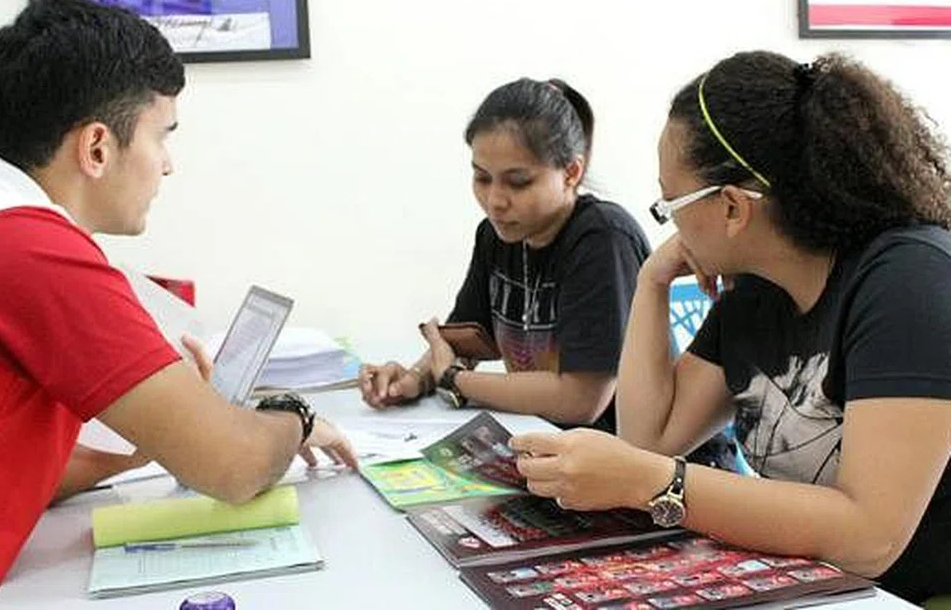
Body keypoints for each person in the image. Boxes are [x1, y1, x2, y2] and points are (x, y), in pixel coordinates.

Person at [510, 51, 951, 603]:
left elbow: (871, 536)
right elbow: (649, 440)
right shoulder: (756, 290)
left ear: (734, 208)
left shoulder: (910, 281)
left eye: (670, 202)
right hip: (826, 587)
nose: (666, 218)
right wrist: (651, 282)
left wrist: (656, 484)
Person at [0, 0, 356, 593]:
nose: (167, 166)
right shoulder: (32, 248)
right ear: (98, 148)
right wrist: (295, 416)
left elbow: (22, 468)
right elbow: (232, 467)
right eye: (162, 138)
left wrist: (154, 439)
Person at [358, 77, 651, 432]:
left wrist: (453, 379)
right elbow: (467, 342)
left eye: (518, 182)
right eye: (482, 178)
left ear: (571, 172)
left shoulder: (603, 240)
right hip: (547, 448)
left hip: (632, 462)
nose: (495, 200)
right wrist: (415, 378)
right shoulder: (497, 234)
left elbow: (582, 400)